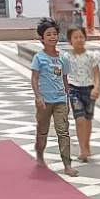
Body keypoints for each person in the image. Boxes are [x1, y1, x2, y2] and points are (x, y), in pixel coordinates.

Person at [30, 17, 77, 176]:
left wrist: (67, 94)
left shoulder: (63, 57)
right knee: (42, 130)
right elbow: (35, 78)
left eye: (54, 34)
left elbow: (65, 78)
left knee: (63, 131)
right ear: (42, 38)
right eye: (48, 34)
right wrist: (38, 97)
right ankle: (40, 155)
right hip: (44, 100)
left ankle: (67, 164)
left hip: (60, 100)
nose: (52, 37)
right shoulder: (39, 58)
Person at [65, 24, 100, 162]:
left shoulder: (92, 56)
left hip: (89, 89)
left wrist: (96, 88)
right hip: (74, 90)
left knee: (88, 119)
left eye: (81, 36)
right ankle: (82, 149)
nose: (79, 39)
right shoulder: (66, 57)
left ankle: (87, 144)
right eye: (75, 37)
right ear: (70, 40)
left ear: (85, 38)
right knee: (79, 120)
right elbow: (63, 74)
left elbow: (97, 75)